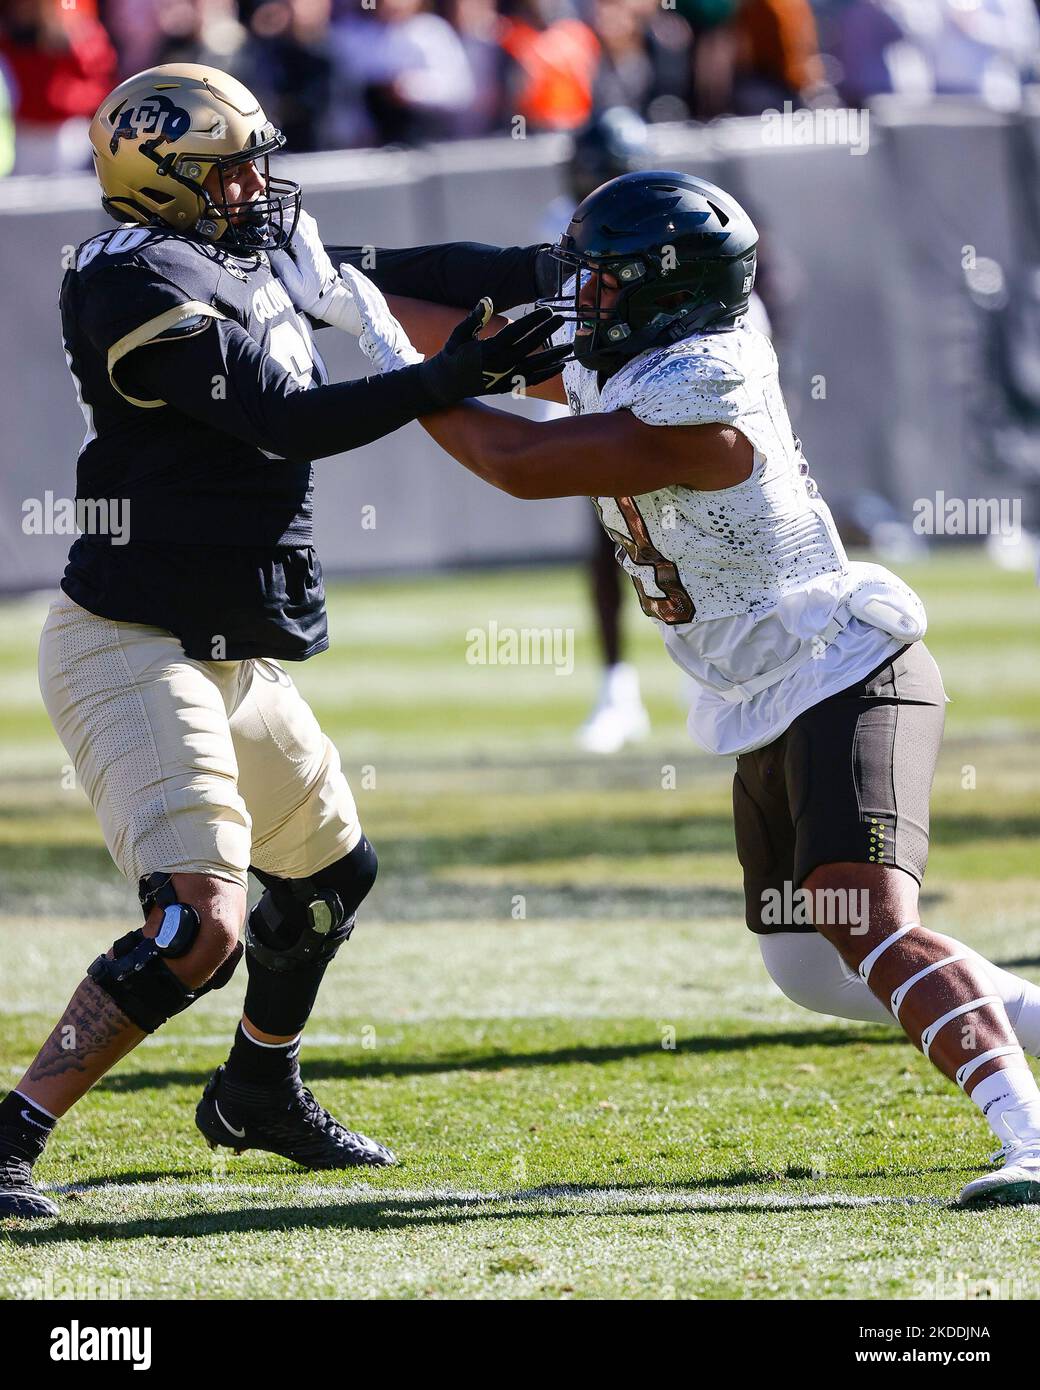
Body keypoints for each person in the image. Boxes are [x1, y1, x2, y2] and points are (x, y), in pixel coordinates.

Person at [350, 169, 1040, 1208]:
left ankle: (1023, 1135)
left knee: (859, 915)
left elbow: (513, 459)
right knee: (806, 967)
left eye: (600, 282)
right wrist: (321, 284)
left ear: (661, 295)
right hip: (759, 693)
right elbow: (480, 332)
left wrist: (382, 353)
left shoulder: (700, 390)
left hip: (840, 667)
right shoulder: (635, 354)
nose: (578, 298)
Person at [0, 61, 567, 1220]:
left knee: (324, 879)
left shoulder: (237, 244)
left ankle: (258, 1088)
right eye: (229, 169)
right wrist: (450, 375)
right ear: (158, 179)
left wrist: (549, 268)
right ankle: (11, 1133)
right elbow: (279, 416)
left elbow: (402, 272)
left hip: (219, 645)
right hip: (133, 639)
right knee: (195, 926)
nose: (258, 186)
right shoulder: (136, 278)